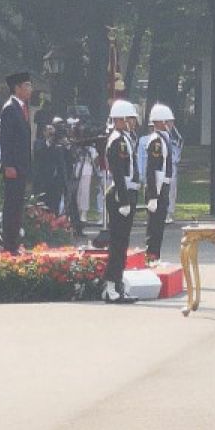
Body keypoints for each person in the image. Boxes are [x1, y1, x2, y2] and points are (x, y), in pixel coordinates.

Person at [101, 99, 141, 302]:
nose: (133, 123)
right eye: (130, 119)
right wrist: (124, 199)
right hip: (119, 194)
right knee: (117, 243)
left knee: (122, 242)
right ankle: (110, 287)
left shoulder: (125, 138)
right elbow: (118, 172)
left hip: (126, 193)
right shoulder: (118, 140)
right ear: (121, 119)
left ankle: (118, 283)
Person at [0, 71, 33, 253]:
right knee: (11, 206)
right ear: (17, 87)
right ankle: (9, 245)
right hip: (13, 167)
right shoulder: (10, 108)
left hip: (22, 166)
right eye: (27, 85)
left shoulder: (22, 108)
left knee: (18, 206)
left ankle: (14, 243)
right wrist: (8, 165)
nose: (30, 89)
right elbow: (6, 140)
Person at [142, 104, 175, 264]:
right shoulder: (156, 141)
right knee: (154, 227)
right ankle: (151, 256)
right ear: (160, 122)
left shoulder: (164, 138)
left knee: (159, 225)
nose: (170, 124)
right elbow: (152, 170)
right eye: (168, 121)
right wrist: (153, 196)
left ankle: (156, 256)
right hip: (157, 187)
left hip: (163, 185)